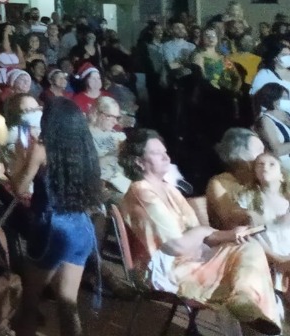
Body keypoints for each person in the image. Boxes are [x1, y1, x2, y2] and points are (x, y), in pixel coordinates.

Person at [119, 129, 281, 334]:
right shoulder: (142, 193)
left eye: (165, 151)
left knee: (249, 248)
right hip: (168, 270)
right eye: (155, 153)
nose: (165, 156)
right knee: (236, 275)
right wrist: (205, 232)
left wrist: (233, 234)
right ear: (138, 162)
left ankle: (244, 298)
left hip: (193, 258)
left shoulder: (168, 188)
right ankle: (246, 302)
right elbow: (176, 245)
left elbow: (202, 235)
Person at [12, 98, 102, 336]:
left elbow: (20, 188)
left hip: (51, 228)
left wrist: (19, 158)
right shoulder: (85, 149)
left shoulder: (42, 149)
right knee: (68, 304)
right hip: (81, 227)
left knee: (30, 301)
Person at [252, 83, 290, 162]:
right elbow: (277, 150)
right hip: (282, 164)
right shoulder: (266, 120)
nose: (288, 101)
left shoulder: (286, 115)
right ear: (274, 101)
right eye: (285, 98)